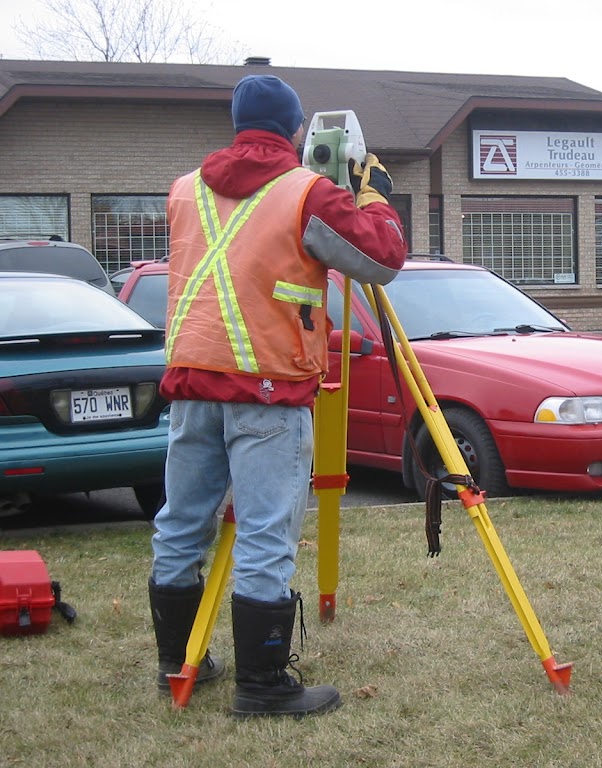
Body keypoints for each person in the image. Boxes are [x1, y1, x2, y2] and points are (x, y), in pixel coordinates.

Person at [147, 74, 407, 718]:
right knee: (266, 535)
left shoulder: (185, 190)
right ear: (295, 131)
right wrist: (371, 194)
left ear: (236, 126)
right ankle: (262, 684)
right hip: (268, 387)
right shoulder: (304, 192)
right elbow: (381, 258)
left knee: (180, 525)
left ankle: (177, 662)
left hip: (191, 383)